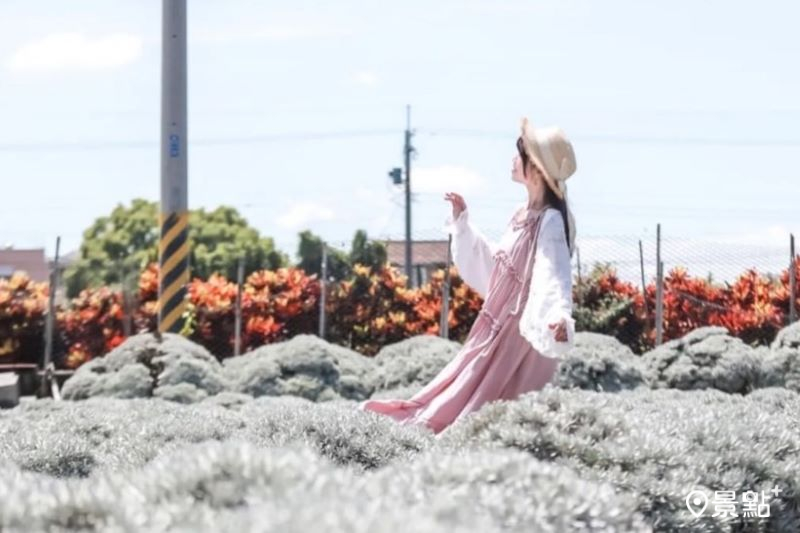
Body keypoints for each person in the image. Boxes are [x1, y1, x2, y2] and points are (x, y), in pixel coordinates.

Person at [357, 117, 577, 435]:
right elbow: (498, 269)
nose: (513, 161)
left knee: (481, 410)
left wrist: (557, 314)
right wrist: (464, 227)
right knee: (460, 394)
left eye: (520, 154)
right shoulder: (522, 215)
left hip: (518, 339)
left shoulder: (550, 221)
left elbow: (553, 270)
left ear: (536, 170)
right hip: (496, 329)